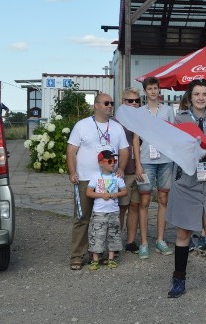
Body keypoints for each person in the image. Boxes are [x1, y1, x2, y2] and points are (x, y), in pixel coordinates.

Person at [165, 79, 206, 298]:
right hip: (186, 181)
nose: (201, 98)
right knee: (183, 232)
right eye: (197, 94)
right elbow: (173, 149)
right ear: (190, 97)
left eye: (204, 94)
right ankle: (178, 280)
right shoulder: (179, 119)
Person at [66, 93, 129, 271]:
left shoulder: (116, 127)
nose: (110, 106)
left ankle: (102, 253)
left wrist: (121, 168)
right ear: (96, 105)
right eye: (106, 103)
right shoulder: (82, 125)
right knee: (82, 217)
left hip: (109, 180)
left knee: (107, 218)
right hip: (86, 178)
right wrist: (72, 172)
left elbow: (124, 150)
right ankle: (77, 255)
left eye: (112, 103)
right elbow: (71, 150)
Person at [133, 77, 175, 258]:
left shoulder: (167, 110)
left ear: (160, 91)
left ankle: (160, 239)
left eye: (155, 88)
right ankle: (143, 242)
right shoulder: (140, 112)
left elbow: (173, 134)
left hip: (165, 160)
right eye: (149, 88)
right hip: (146, 160)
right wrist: (137, 164)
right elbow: (135, 139)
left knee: (164, 199)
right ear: (145, 91)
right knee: (144, 201)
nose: (153, 91)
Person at [86, 151, 128, 270]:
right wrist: (100, 195)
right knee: (97, 234)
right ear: (101, 163)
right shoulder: (96, 176)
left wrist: (116, 194)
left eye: (114, 161)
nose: (112, 164)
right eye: (109, 161)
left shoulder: (117, 176)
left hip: (113, 211)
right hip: (99, 211)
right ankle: (95, 259)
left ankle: (111, 258)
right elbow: (88, 192)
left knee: (113, 234)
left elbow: (125, 191)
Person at [118, 88, 144, 256]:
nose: (134, 103)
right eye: (130, 101)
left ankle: (130, 241)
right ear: (123, 102)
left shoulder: (143, 119)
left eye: (136, 101)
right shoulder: (117, 121)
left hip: (141, 168)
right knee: (122, 206)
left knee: (135, 204)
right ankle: (115, 239)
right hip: (125, 169)